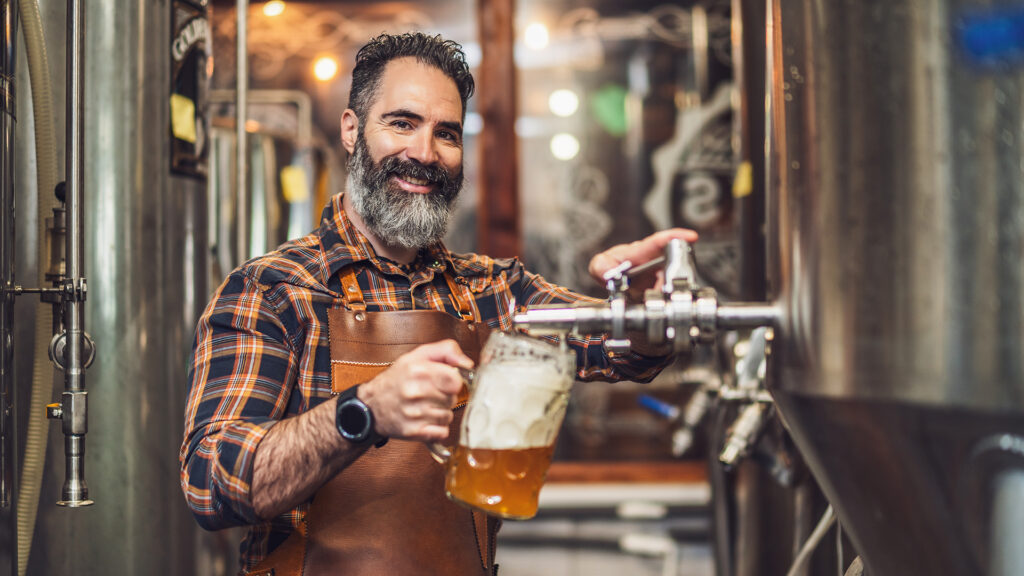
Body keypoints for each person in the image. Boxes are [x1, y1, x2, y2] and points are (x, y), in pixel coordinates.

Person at [180, 32, 697, 576]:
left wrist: (638, 308)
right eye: (402, 123)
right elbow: (211, 483)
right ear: (353, 131)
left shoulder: (491, 291)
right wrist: (364, 412)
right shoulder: (274, 290)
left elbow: (622, 350)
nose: (424, 154)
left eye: (446, 134)